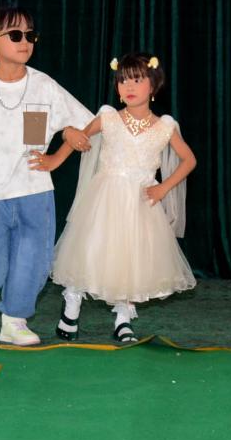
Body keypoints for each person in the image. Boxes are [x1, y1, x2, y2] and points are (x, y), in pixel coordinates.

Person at [0, 6, 92, 350]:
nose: (25, 41)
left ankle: (14, 321)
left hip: (35, 192)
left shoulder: (44, 86)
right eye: (15, 35)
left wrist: (60, 150)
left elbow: (84, 125)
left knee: (33, 260)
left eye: (30, 34)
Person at [48, 53, 197, 344]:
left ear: (153, 86)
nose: (129, 86)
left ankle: (123, 318)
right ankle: (72, 305)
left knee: (131, 258)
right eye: (123, 80)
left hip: (140, 204)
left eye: (137, 80)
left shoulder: (165, 126)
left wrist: (164, 188)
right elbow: (79, 139)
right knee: (90, 249)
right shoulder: (108, 118)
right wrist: (55, 159)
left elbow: (189, 160)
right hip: (105, 199)